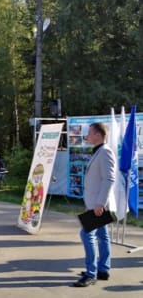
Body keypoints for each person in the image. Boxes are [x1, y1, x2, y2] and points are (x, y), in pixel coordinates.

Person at [73, 122, 115, 287]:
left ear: (98, 134)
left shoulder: (105, 152)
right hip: (96, 203)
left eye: (89, 133)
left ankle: (91, 273)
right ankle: (103, 270)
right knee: (102, 236)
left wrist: (100, 203)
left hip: (99, 204)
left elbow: (109, 178)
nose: (87, 136)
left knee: (86, 235)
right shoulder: (99, 152)